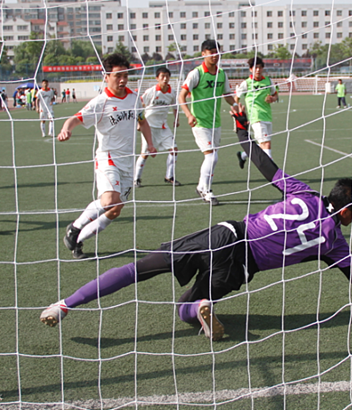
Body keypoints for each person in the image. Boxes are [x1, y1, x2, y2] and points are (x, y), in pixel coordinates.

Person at [40, 111, 352, 340]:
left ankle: (65, 305)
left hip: (226, 233)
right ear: (348, 210)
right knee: (184, 308)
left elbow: (265, 165)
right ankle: (199, 307)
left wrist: (241, 130)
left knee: (140, 269)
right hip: (241, 267)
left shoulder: (304, 192)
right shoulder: (334, 244)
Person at [58, 54, 156, 259]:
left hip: (127, 162)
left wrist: (150, 143)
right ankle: (75, 227)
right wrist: (66, 129)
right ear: (106, 76)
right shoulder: (100, 102)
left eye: (125, 75)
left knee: (115, 210)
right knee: (109, 200)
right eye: (117, 75)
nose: (122, 80)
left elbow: (142, 122)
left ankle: (77, 240)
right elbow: (75, 119)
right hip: (107, 158)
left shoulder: (134, 99)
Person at [178, 39, 241, 206]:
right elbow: (181, 96)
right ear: (203, 54)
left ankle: (201, 186)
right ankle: (206, 190)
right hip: (199, 123)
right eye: (211, 52)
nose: (215, 55)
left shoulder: (222, 74)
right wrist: (188, 115)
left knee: (213, 157)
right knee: (212, 157)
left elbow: (226, 94)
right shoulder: (196, 73)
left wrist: (235, 106)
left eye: (217, 52)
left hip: (215, 123)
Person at [134, 66, 181, 187]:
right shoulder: (152, 91)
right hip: (149, 127)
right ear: (157, 78)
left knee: (174, 150)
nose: (165, 79)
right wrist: (140, 122)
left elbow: (175, 106)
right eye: (162, 76)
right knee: (145, 154)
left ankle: (169, 176)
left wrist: (176, 119)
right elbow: (139, 104)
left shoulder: (172, 92)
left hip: (163, 127)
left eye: (167, 76)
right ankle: (136, 179)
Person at [235, 56, 278, 168]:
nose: (258, 70)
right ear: (250, 69)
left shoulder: (268, 81)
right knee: (266, 144)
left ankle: (243, 155)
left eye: (259, 67)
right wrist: (238, 111)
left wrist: (272, 98)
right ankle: (272, 170)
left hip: (267, 116)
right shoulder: (247, 83)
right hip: (256, 117)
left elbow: (275, 94)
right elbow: (236, 98)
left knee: (263, 144)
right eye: (255, 68)